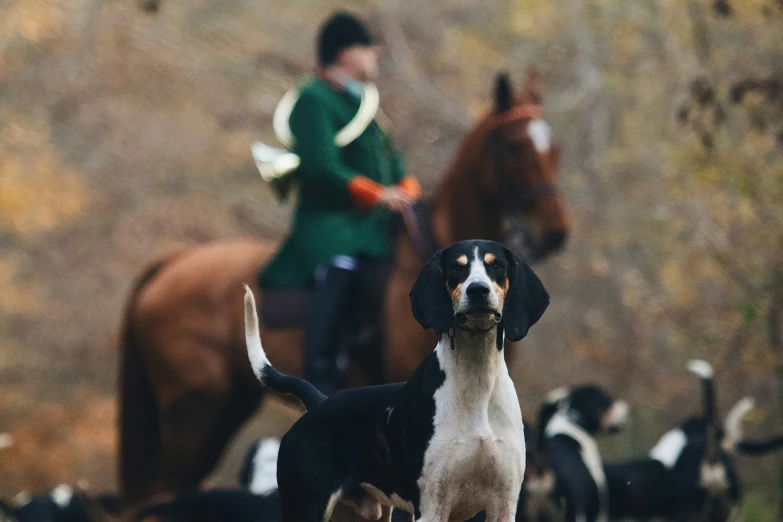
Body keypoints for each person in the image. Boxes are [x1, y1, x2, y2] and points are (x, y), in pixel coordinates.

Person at [259, 12, 421, 395]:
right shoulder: (313, 99)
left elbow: (389, 157)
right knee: (341, 263)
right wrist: (379, 195)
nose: (375, 54)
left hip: (373, 221)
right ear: (346, 53)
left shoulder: (363, 101)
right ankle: (321, 369)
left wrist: (407, 188)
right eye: (368, 48)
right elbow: (321, 167)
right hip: (329, 220)